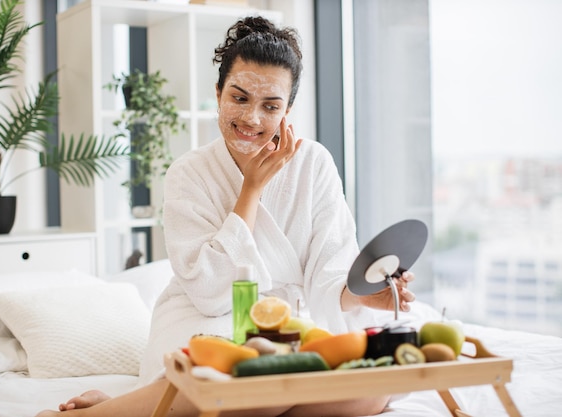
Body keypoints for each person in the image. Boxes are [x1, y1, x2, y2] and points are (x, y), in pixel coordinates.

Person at [36, 15, 415, 417]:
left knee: (368, 395)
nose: (252, 118)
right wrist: (250, 188)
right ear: (218, 93)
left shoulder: (315, 163)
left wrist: (361, 294)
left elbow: (329, 272)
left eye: (271, 106)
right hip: (207, 316)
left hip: (291, 325)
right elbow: (209, 289)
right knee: (250, 372)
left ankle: (148, 405)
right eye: (239, 98)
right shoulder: (189, 172)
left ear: (288, 109)